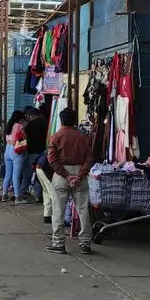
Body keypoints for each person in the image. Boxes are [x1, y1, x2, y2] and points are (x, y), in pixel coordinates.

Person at [42, 108, 94, 255]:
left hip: (61, 176)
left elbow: (52, 159)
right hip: (80, 174)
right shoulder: (83, 137)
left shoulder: (56, 137)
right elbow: (89, 158)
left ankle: (58, 243)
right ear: (74, 120)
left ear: (61, 120)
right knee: (83, 210)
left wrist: (66, 175)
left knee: (58, 210)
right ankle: (85, 243)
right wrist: (79, 175)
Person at [22, 107, 48, 202]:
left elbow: (26, 139)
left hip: (32, 152)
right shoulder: (46, 123)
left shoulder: (30, 125)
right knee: (39, 174)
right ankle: (38, 195)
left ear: (31, 116)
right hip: (43, 152)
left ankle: (22, 192)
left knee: (27, 174)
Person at [1, 110, 27, 204]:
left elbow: (8, 139)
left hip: (7, 151)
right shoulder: (19, 126)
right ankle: (17, 197)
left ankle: (4, 195)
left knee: (8, 174)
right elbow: (24, 139)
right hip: (16, 151)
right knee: (16, 175)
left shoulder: (8, 126)